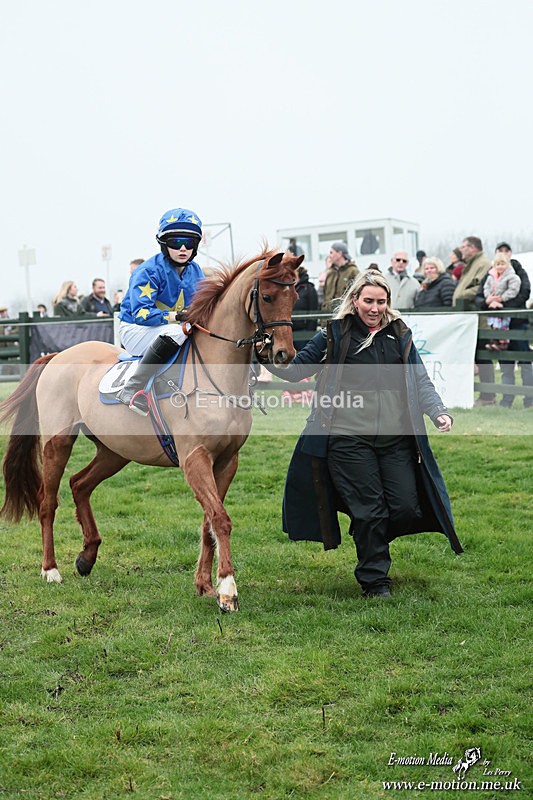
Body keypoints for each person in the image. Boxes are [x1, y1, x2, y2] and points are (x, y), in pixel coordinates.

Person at [266, 271, 462, 598]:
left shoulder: (399, 334)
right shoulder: (334, 333)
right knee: (371, 510)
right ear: (354, 300)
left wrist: (438, 411)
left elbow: (420, 380)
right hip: (347, 440)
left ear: (388, 302)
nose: (374, 308)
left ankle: (366, 528)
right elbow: (296, 369)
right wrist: (266, 350)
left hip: (395, 441)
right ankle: (375, 582)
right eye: (368, 300)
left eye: (381, 301)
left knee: (404, 508)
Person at [116, 207, 204, 414]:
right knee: (178, 331)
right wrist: (176, 316)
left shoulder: (197, 271)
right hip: (135, 330)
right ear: (164, 244)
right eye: (175, 242)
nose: (183, 248)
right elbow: (141, 314)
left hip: (172, 329)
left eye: (189, 243)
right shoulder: (148, 271)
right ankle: (133, 388)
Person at [475, 243, 532, 408]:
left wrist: (503, 306)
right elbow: (480, 296)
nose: (503, 254)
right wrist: (488, 302)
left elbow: (524, 293)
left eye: (506, 251)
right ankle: (506, 400)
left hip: (517, 324)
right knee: (506, 365)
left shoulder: (518, 271)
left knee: (525, 362)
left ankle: (530, 400)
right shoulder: (490, 274)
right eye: (500, 251)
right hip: (498, 327)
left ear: (511, 254)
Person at [482, 252, 520, 350]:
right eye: (497, 264)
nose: (500, 267)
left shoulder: (512, 276)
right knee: (493, 324)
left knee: (503, 325)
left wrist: (502, 298)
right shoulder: (491, 277)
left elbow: (513, 289)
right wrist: (489, 298)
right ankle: (494, 341)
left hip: (503, 305)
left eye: (502, 264)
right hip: (492, 305)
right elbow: (486, 287)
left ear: (507, 264)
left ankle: (503, 343)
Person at [321, 242, 359, 314]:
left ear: (340, 254)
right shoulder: (330, 273)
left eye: (331, 252)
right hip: (328, 317)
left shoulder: (353, 272)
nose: (329, 256)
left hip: (345, 317)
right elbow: (325, 295)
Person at [452, 236, 490, 309]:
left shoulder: (483, 264)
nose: (461, 250)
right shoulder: (470, 265)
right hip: (463, 311)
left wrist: (459, 296)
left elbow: (477, 287)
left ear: (472, 248)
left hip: (472, 313)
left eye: (463, 247)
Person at [291, 264, 319, 350]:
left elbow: (313, 311)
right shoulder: (290, 288)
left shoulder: (309, 289)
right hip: (291, 330)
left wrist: (309, 333)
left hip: (303, 331)